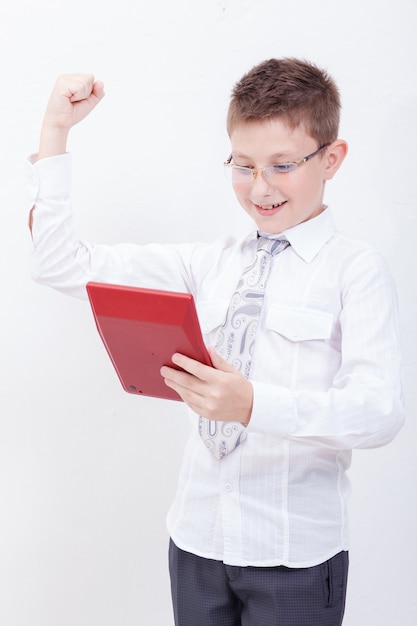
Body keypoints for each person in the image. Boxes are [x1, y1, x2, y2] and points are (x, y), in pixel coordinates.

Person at [27, 58, 405, 626]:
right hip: (198, 540)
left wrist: (253, 404)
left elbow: (380, 412)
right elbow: (60, 264)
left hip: (294, 555)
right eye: (243, 165)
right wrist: (55, 132)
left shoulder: (356, 270)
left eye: (282, 165)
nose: (260, 187)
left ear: (332, 158)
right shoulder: (209, 263)